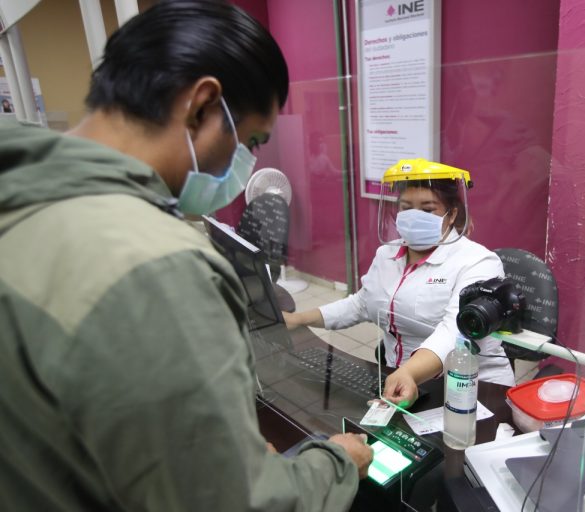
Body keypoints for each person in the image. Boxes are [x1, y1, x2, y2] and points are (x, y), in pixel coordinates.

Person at [0, 2, 371, 511]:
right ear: (201, 108)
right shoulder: (158, 269)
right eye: (253, 141)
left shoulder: (19, 192)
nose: (246, 164)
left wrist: (218, 454)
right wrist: (334, 464)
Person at [284, 159, 514, 407]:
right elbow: (361, 304)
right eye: (406, 208)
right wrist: (299, 318)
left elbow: (454, 332)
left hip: (474, 389)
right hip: (406, 383)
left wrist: (409, 372)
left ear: (452, 214)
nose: (415, 217)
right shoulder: (387, 255)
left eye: (427, 210)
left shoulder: (478, 262)